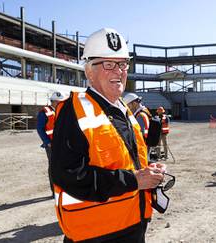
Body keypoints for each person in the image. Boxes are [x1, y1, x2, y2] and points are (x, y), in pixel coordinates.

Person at [51, 28, 166, 242]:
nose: (118, 71)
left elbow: (127, 160)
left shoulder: (123, 109)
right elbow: (68, 175)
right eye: (108, 64)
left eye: (122, 64)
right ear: (89, 71)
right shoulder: (73, 110)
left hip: (132, 224)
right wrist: (134, 180)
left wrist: (147, 169)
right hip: (96, 234)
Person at [36, 91, 66, 197]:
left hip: (62, 144)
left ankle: (63, 188)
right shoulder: (44, 112)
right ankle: (55, 191)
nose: (60, 103)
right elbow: (40, 129)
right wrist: (47, 142)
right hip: (51, 145)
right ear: (53, 102)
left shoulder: (61, 111)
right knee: (53, 167)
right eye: (58, 102)